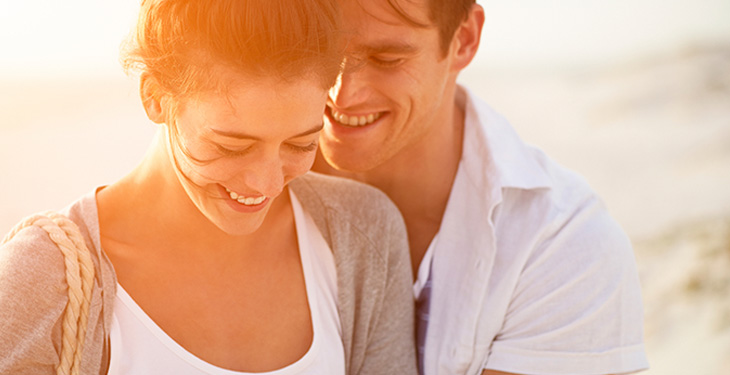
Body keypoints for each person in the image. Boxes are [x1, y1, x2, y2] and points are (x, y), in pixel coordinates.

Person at [0, 0, 417, 374]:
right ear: (156, 97)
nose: (266, 184)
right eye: (232, 146)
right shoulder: (43, 280)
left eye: (300, 143)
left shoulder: (363, 236)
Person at [312, 0, 650, 374]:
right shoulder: (247, 190)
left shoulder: (566, 245)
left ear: (464, 40)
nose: (343, 93)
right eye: (320, 49)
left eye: (387, 59)